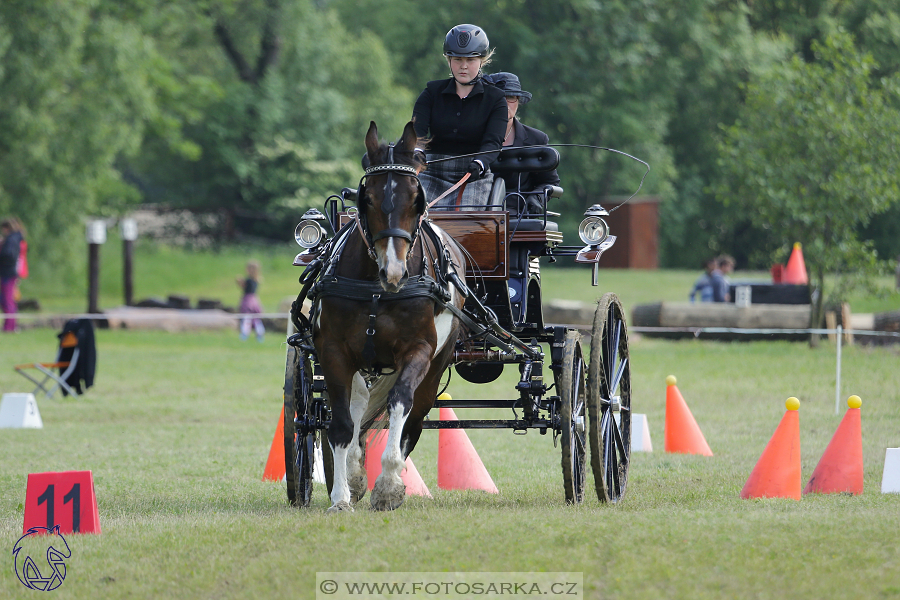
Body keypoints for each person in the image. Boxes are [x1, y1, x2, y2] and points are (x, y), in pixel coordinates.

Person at [412, 24, 507, 208]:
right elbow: (417, 131)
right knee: (412, 216)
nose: (463, 66)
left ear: (482, 60)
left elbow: (493, 141)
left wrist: (480, 162)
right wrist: (417, 151)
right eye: (457, 59)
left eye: (470, 60)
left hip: (473, 176)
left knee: (466, 223)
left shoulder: (496, 99)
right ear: (448, 60)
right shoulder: (431, 92)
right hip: (432, 172)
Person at [482, 72, 560, 204]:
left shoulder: (536, 139)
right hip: (474, 211)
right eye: (499, 97)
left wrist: (537, 198)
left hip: (518, 215)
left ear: (518, 101)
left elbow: (550, 182)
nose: (504, 103)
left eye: (510, 97)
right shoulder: (470, 135)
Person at [0, 218, 24, 332]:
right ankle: (10, 325)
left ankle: (10, 327)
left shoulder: (11, 240)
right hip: (9, 273)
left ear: (6, 228)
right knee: (8, 300)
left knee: (8, 300)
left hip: (7, 273)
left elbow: (8, 255)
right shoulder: (15, 239)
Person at [236, 260, 265, 342]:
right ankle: (259, 333)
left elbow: (244, 286)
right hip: (254, 299)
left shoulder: (249, 280)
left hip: (248, 300)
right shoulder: (256, 280)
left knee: (247, 317)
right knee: (255, 318)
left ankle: (245, 333)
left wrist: (239, 281)